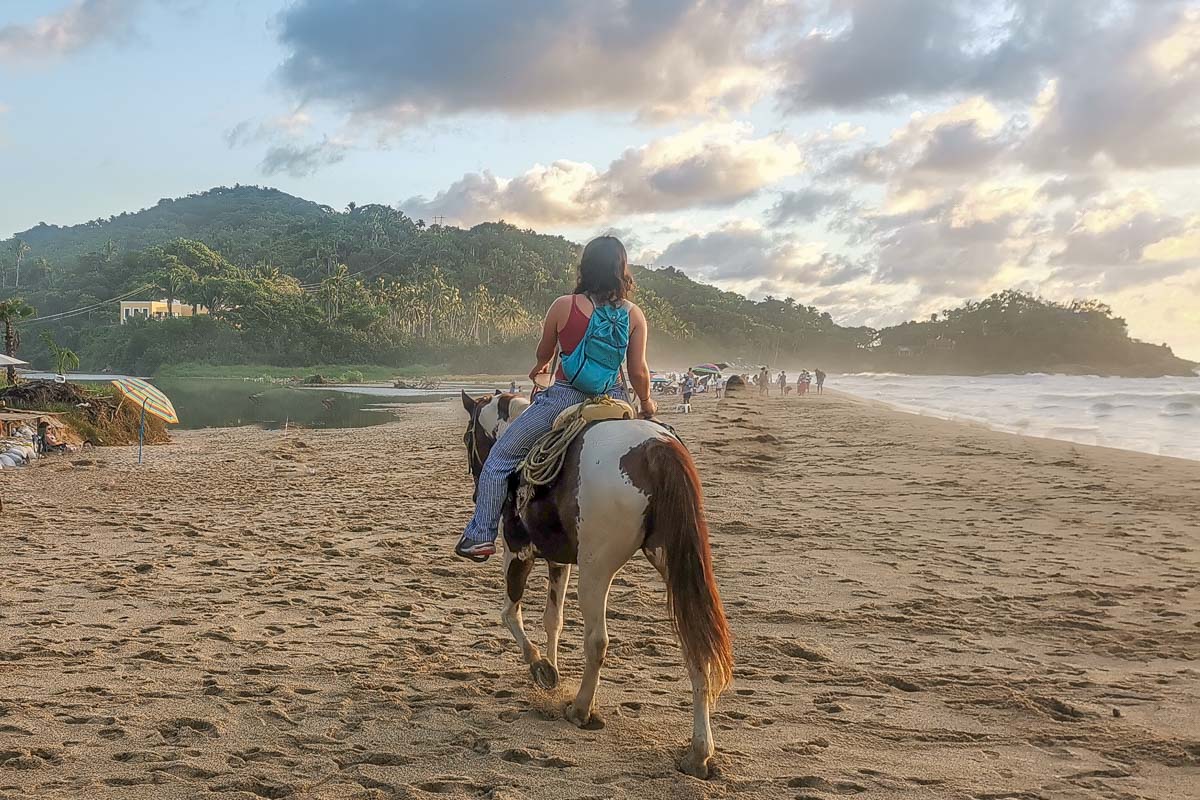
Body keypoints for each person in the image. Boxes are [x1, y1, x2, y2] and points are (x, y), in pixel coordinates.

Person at [455, 236, 657, 562]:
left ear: (585, 268)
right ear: (622, 270)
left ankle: (481, 536)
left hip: (564, 399)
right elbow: (638, 371)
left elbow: (544, 354)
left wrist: (541, 366)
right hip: (616, 403)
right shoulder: (634, 315)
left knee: (498, 461)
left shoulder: (564, 306)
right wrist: (646, 405)